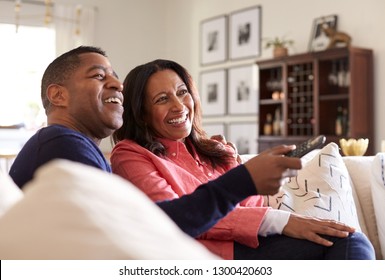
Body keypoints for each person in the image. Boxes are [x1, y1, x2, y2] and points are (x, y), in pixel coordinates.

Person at [9, 45, 302, 239]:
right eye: (99, 76)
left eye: (115, 77)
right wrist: (244, 179)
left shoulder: (78, 149)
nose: (117, 85)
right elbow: (154, 227)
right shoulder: (61, 143)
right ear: (58, 95)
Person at [110, 59, 375, 260]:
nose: (179, 106)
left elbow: (251, 204)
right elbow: (176, 217)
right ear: (142, 114)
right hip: (211, 255)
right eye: (162, 99)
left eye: (182, 92)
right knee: (347, 244)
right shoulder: (131, 154)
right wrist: (281, 220)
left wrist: (235, 166)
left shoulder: (212, 150)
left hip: (254, 243)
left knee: (353, 240)